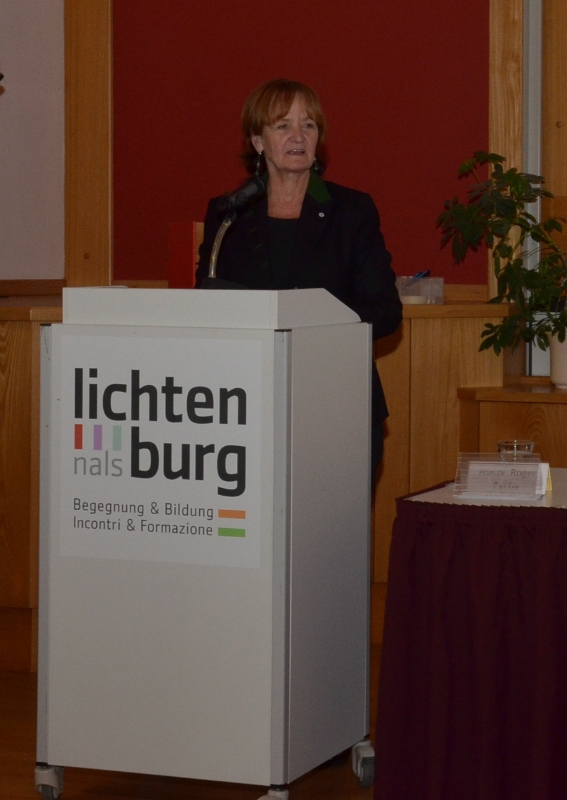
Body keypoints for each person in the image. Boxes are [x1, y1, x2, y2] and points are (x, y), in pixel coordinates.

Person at [196, 78, 402, 480]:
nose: (298, 136)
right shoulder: (228, 214)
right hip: (244, 402)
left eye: (308, 125)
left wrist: (315, 327)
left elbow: (385, 311)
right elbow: (208, 304)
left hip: (336, 401)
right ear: (258, 141)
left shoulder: (350, 211)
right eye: (282, 126)